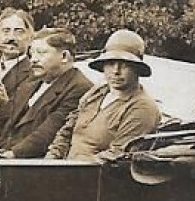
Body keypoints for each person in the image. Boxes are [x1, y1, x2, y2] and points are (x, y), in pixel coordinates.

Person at [48, 29, 162, 161]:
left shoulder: (142, 107)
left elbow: (117, 156)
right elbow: (66, 131)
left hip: (96, 176)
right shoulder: (96, 93)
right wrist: (52, 157)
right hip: (64, 170)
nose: (116, 71)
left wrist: (67, 169)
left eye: (124, 65)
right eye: (110, 63)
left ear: (137, 69)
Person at [0, 28, 90, 158]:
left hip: (31, 162)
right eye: (32, 53)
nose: (33, 60)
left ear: (64, 56)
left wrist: (10, 155)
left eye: (41, 53)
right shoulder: (32, 81)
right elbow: (1, 116)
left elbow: (47, 134)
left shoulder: (80, 88)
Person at [0, 8, 37, 101]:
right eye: (6, 31)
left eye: (19, 32)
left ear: (31, 38)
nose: (11, 37)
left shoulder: (34, 74)